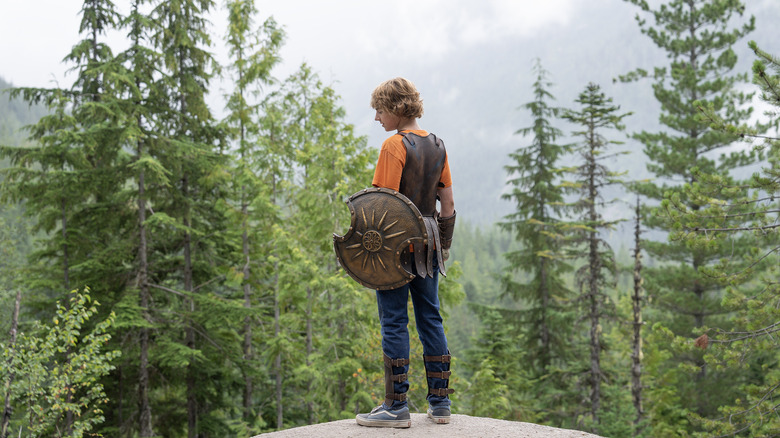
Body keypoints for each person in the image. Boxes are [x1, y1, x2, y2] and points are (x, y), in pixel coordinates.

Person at [355, 77, 456, 428]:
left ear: (397, 108)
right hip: (427, 242)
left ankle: (395, 407)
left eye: (380, 110)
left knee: (394, 319)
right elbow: (448, 204)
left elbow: (380, 205)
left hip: (395, 246)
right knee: (431, 317)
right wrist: (441, 248)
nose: (377, 118)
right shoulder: (438, 145)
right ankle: (440, 402)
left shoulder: (393, 146)